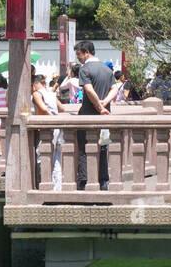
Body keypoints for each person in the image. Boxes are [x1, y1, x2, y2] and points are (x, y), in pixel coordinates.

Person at [74, 40, 114, 190]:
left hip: (88, 115)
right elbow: (114, 89)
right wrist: (104, 104)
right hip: (105, 116)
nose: (78, 58)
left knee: (85, 148)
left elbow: (89, 90)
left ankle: (85, 181)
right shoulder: (107, 69)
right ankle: (103, 181)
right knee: (103, 147)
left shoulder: (85, 69)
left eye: (79, 54)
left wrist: (98, 106)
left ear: (86, 52)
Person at [30, 72, 65, 191]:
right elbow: (62, 108)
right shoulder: (51, 93)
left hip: (48, 128)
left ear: (35, 84)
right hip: (58, 129)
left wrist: (51, 118)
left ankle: (45, 184)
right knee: (57, 158)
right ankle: (57, 187)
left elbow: (43, 108)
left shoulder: (36, 94)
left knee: (43, 155)